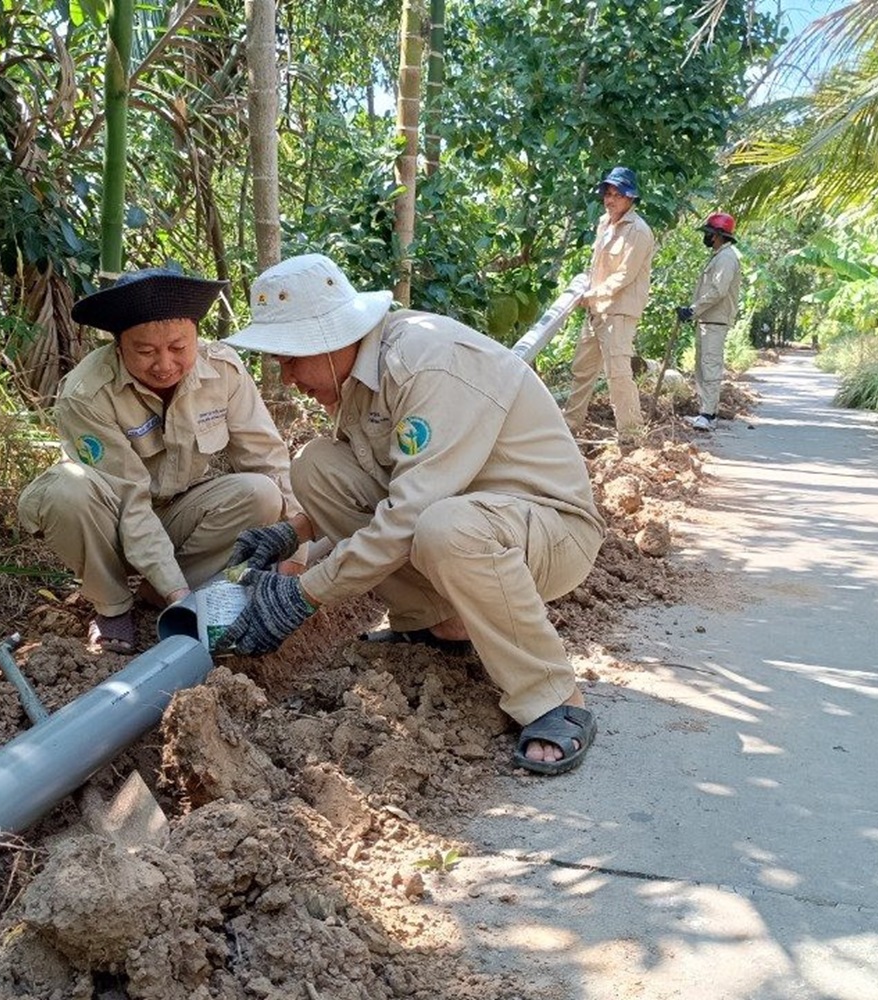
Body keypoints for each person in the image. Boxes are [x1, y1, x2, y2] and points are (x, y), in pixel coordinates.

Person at [215, 254, 606, 775]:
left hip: (550, 530)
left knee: (445, 528)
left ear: (325, 338)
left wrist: (304, 595)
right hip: (471, 517)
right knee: (316, 466)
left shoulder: (427, 361)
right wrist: (292, 534)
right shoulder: (359, 378)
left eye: (288, 359)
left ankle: (553, 697)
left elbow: (410, 510)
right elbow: (386, 487)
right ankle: (436, 624)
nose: (286, 378)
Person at [17, 266, 300, 654]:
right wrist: (178, 593)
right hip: (112, 524)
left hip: (178, 516)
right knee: (68, 489)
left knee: (262, 493)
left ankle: (156, 591)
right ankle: (113, 604)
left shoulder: (225, 371)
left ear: (197, 337)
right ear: (118, 346)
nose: (164, 364)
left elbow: (269, 460)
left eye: (179, 348)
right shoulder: (87, 394)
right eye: (146, 351)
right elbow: (130, 499)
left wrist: (295, 556)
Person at [563, 166, 656, 441]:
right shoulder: (604, 223)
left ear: (630, 198)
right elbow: (597, 268)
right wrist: (589, 295)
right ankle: (569, 426)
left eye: (617, 194)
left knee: (617, 373)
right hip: (597, 309)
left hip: (619, 311)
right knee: (582, 370)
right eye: (608, 193)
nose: (610, 199)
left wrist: (590, 295)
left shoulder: (638, 231)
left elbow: (624, 276)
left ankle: (631, 435)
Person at [677, 212, 742, 432]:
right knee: (702, 367)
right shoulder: (718, 256)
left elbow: (718, 291)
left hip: (715, 322)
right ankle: (705, 412)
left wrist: (692, 310)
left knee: (710, 366)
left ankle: (708, 415)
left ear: (717, 235)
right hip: (707, 320)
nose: (705, 237)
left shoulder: (726, 258)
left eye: (708, 233)